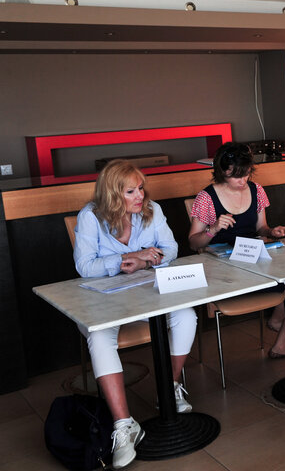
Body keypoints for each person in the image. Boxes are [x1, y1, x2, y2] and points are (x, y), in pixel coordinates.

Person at [73, 159, 196, 469]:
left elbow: (171, 248)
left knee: (186, 315)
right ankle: (124, 424)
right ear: (114, 195)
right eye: (131, 191)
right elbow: (85, 268)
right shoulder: (90, 217)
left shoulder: (151, 210)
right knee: (99, 336)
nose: (140, 196)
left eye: (141, 188)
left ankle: (169, 387)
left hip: (147, 293)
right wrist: (127, 257)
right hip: (104, 299)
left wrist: (145, 262)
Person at [188, 142, 285, 358]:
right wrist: (213, 229)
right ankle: (278, 324)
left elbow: (261, 228)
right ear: (222, 172)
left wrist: (273, 231)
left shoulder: (256, 189)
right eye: (236, 176)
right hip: (224, 273)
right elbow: (194, 243)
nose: (243, 181)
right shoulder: (207, 198)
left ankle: (280, 341)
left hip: (254, 262)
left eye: (247, 174)